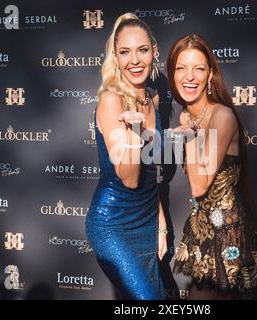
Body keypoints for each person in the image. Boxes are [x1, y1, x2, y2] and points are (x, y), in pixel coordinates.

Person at [166, 34, 257, 298]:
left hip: (228, 236)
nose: (189, 76)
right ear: (172, 73)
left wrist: (187, 136)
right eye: (181, 68)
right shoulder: (188, 114)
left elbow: (199, 186)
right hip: (204, 231)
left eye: (198, 68)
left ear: (210, 74)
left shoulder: (221, 115)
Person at [85, 13, 167, 300]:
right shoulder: (111, 100)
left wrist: (161, 224)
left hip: (146, 221)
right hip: (113, 225)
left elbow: (152, 167)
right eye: (125, 52)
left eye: (142, 50)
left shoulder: (154, 99)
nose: (134, 60)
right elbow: (130, 178)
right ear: (116, 58)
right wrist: (134, 131)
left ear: (154, 52)